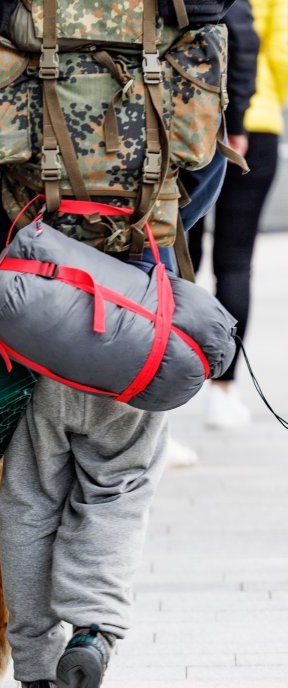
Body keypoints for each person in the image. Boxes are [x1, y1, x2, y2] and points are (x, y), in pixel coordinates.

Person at [0, 2, 232, 688]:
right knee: (118, 484)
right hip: (137, 305)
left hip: (29, 291)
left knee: (27, 495)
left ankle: (36, 679)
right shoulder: (181, 8)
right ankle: (95, 636)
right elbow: (205, 166)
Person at [189, 0, 284, 430]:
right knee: (235, 262)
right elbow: (276, 48)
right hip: (251, 125)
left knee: (180, 263)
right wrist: (252, 111)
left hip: (189, 118)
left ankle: (164, 387)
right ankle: (223, 393)